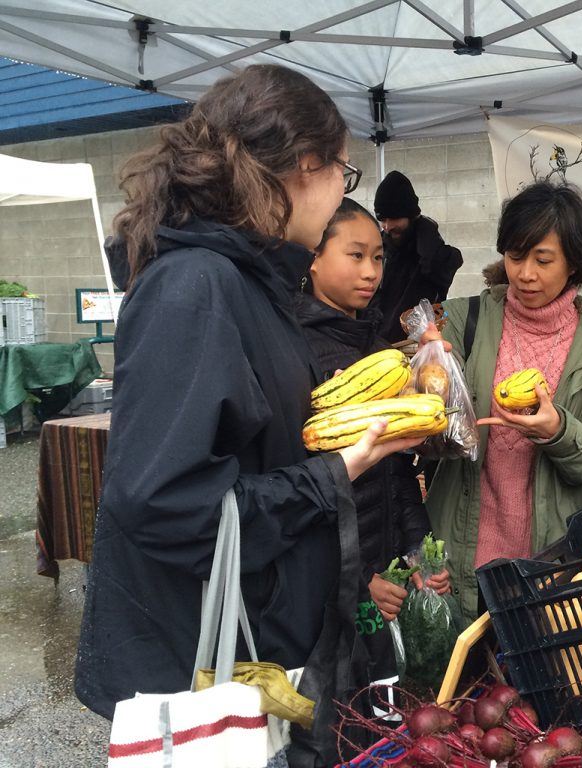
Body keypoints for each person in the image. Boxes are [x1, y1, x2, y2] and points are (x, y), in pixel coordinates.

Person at [75, 65, 422, 723]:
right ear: (304, 165)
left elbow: (252, 449)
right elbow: (163, 504)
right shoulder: (195, 289)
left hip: (254, 642)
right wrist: (337, 472)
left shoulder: (249, 282)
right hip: (195, 664)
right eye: (343, 175)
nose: (340, 193)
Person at [425, 182, 582, 619]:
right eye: (515, 256)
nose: (525, 274)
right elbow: (428, 438)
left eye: (543, 260)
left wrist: (558, 432)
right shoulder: (463, 320)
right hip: (458, 556)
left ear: (574, 264)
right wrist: (427, 379)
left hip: (550, 561)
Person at [297, 197, 449, 633]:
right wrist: (358, 577)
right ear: (313, 259)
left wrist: (417, 549)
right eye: (356, 255)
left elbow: (398, 468)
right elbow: (294, 485)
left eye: (379, 257)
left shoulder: (380, 352)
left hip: (380, 562)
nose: (371, 272)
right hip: (327, 579)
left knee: (371, 687)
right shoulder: (296, 351)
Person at [370, 170, 464, 342]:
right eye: (382, 219)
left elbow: (443, 266)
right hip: (375, 340)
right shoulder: (380, 247)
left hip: (416, 343)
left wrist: (426, 231)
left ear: (411, 216)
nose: (387, 226)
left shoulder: (430, 248)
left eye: (394, 218)